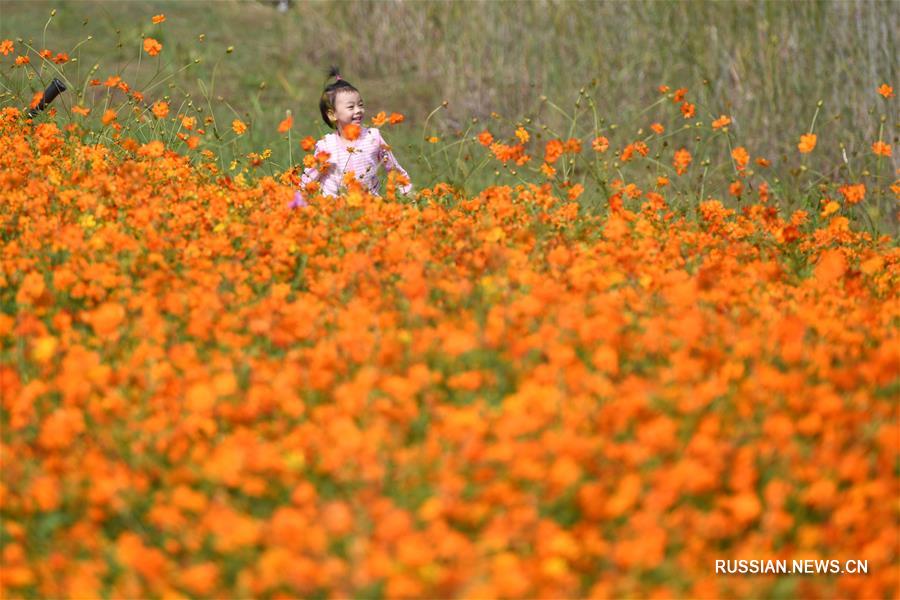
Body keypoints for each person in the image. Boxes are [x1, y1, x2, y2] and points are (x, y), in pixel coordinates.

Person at [294, 67, 412, 204]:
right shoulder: (326, 145)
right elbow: (309, 178)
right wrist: (296, 202)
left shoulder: (373, 137)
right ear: (332, 115)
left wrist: (407, 196)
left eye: (360, 105)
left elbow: (394, 169)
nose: (358, 110)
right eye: (351, 107)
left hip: (370, 205)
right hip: (334, 208)